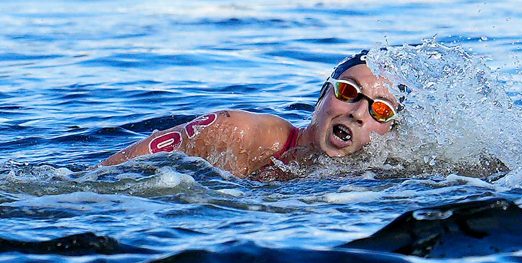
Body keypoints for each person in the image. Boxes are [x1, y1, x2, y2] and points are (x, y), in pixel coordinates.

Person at [101, 49, 405, 178]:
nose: (357, 113)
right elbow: (103, 177)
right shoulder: (240, 132)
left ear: (390, 132)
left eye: (380, 109)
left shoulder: (380, 177)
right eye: (349, 93)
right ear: (322, 97)